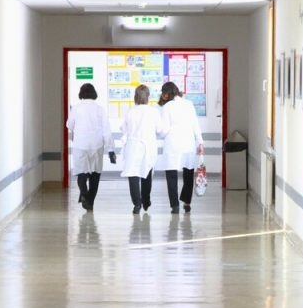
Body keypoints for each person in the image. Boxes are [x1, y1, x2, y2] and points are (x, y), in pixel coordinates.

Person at [66, 83, 115, 210]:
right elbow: (106, 130)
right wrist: (110, 149)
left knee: (81, 173)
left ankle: (84, 193)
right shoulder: (100, 109)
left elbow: (69, 125)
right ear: (94, 93)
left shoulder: (76, 109)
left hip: (80, 144)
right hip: (96, 145)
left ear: (81, 93)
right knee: (95, 174)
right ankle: (90, 202)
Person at [156, 81, 203, 214]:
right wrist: (200, 142)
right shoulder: (189, 104)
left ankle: (175, 205)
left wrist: (158, 133)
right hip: (188, 143)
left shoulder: (167, 107)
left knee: (171, 175)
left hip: (173, 144)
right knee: (188, 173)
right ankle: (187, 202)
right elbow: (195, 125)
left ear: (166, 93)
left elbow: (164, 130)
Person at [120, 84, 166, 214]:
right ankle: (146, 200)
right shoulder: (153, 112)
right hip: (148, 146)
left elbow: (124, 129)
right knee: (146, 173)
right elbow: (160, 130)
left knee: (133, 174)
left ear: (135, 96)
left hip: (133, 146)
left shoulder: (130, 111)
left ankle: (137, 203)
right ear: (148, 97)